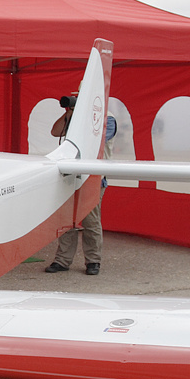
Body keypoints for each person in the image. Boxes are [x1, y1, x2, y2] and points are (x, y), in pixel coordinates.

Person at [45, 100, 114, 276]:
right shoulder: (74, 117)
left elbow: (92, 141)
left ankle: (93, 261)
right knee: (65, 220)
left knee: (90, 220)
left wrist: (80, 116)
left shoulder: (108, 119)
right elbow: (55, 132)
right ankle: (62, 260)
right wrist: (69, 113)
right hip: (70, 176)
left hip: (93, 177)